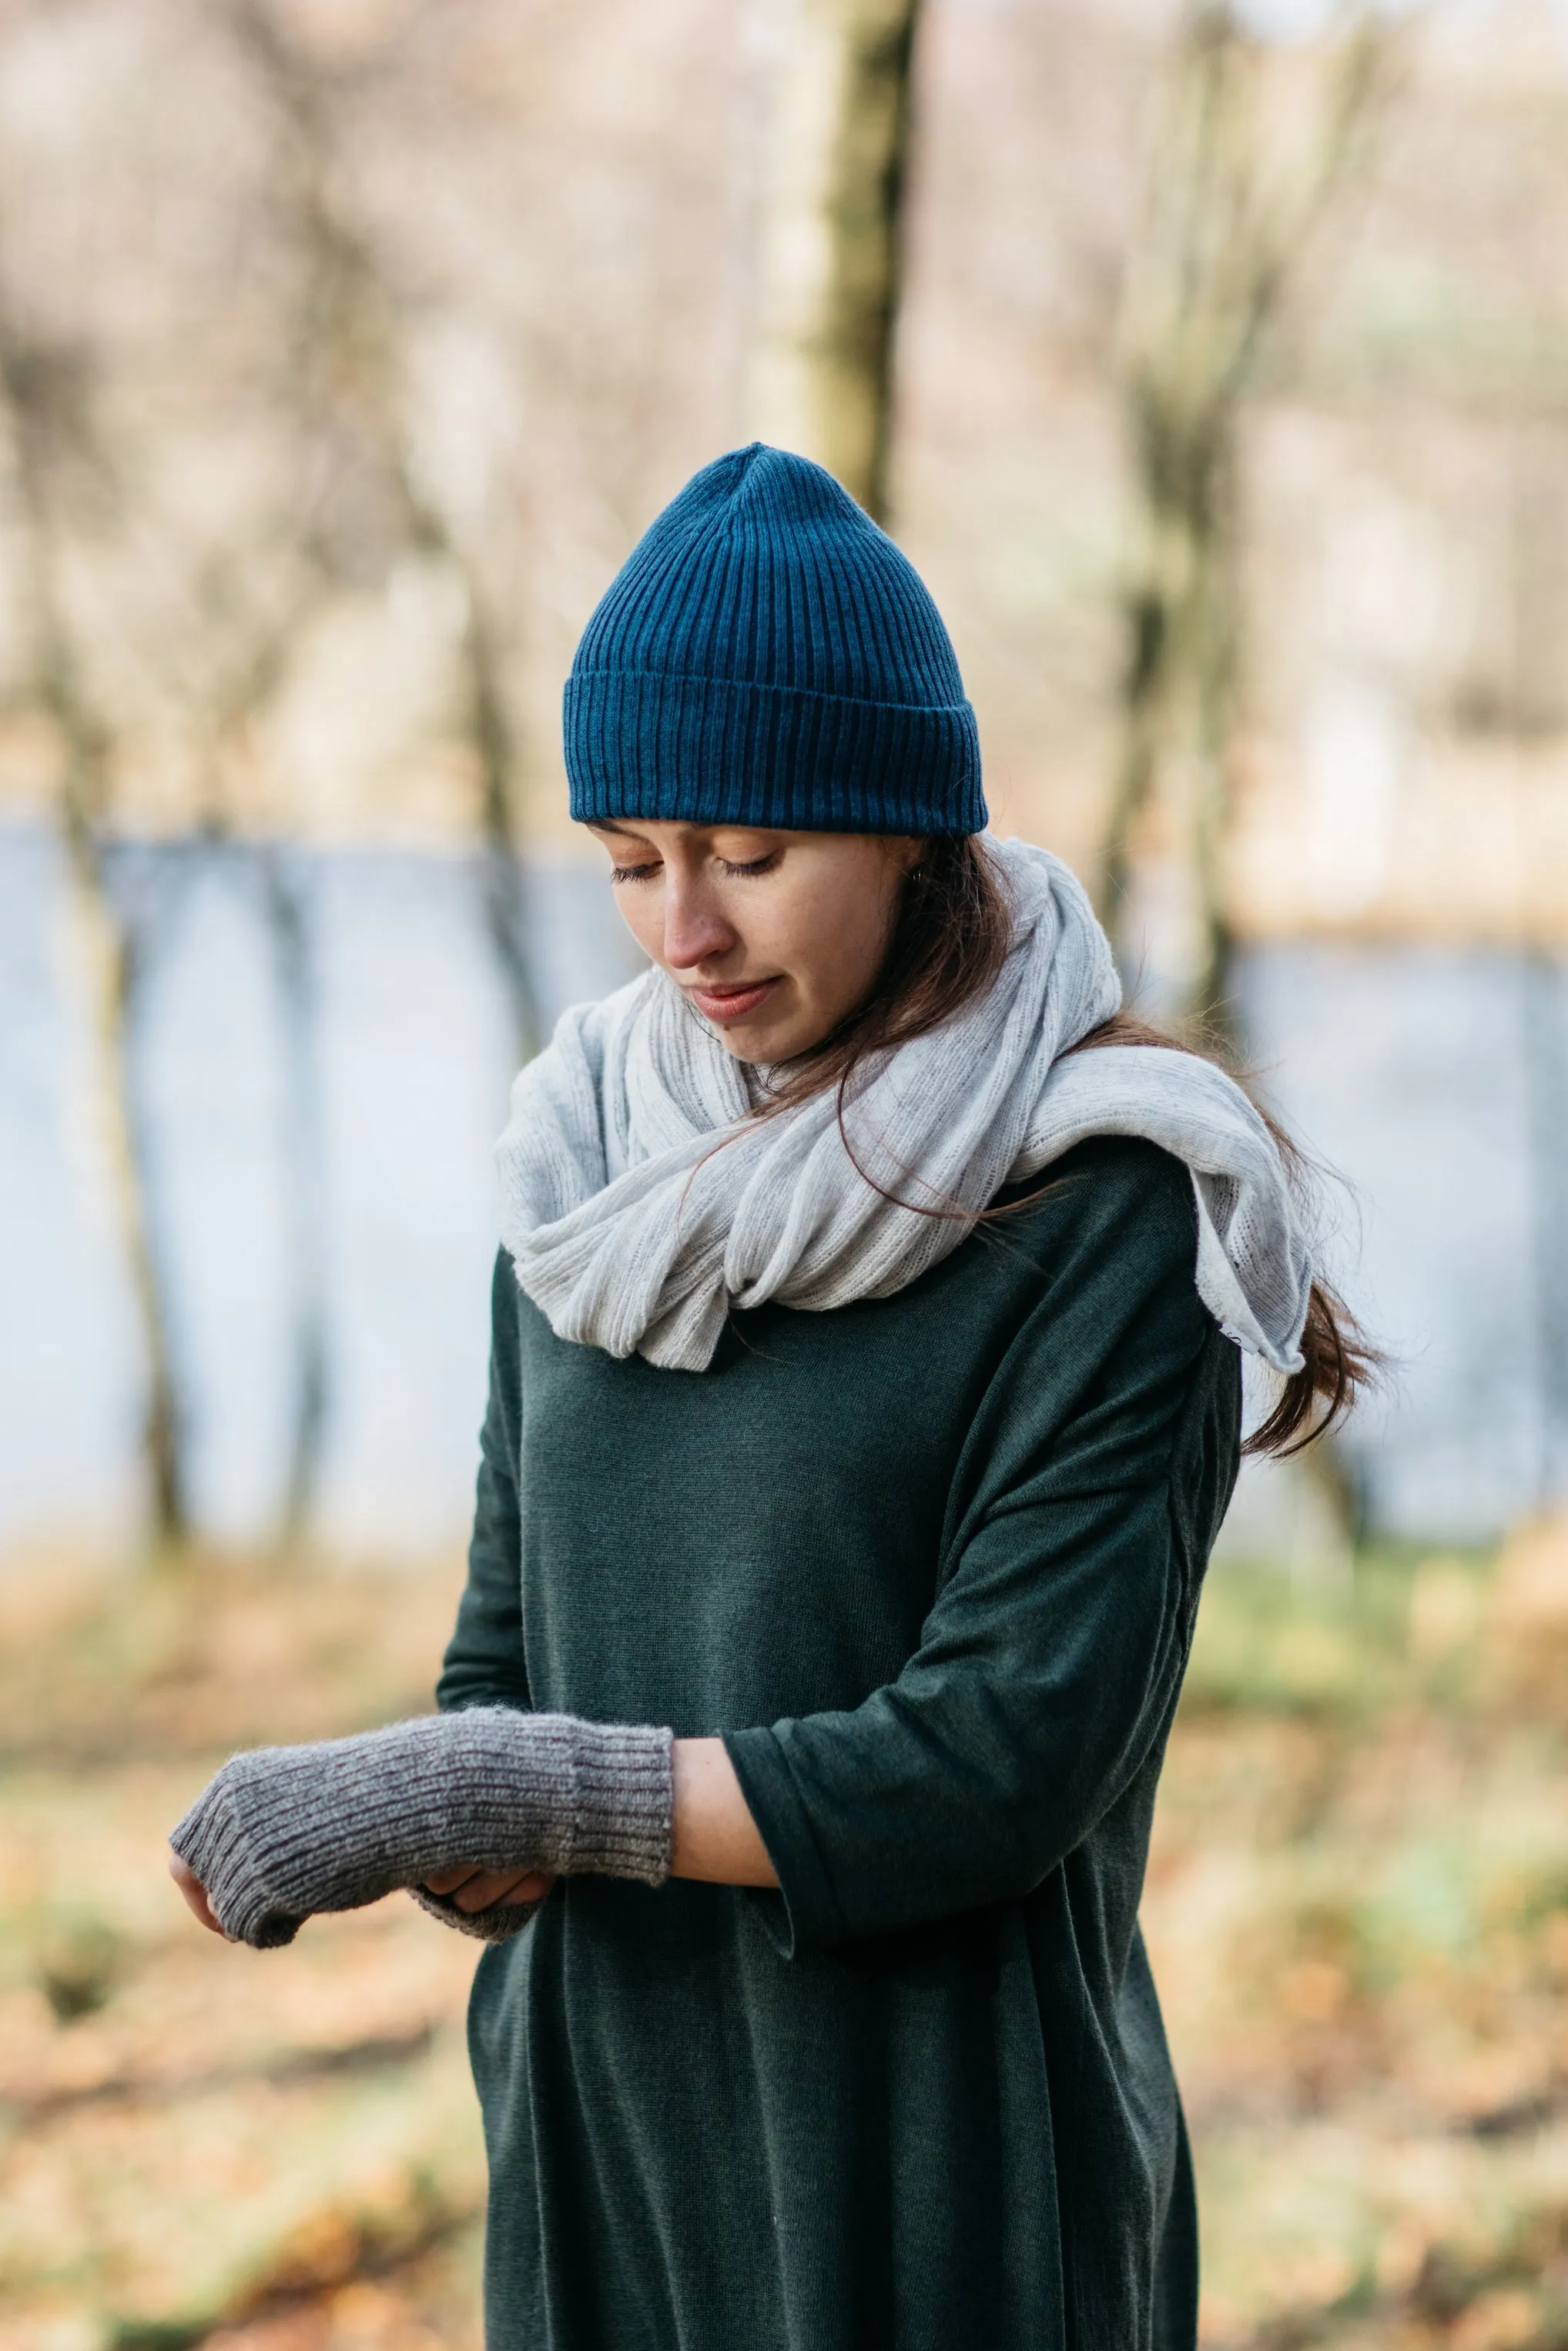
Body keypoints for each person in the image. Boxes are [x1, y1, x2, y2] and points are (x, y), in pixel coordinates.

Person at [169, 444, 1369, 2351]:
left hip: (933, 2182)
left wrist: (525, 1784)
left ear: (907, 828)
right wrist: (450, 1820)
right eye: (633, 860)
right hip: (604, 2161)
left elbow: (993, 1763)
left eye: (747, 856)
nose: (682, 934)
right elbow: (507, 1662)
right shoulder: (587, 1180)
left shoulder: (1098, 1209)